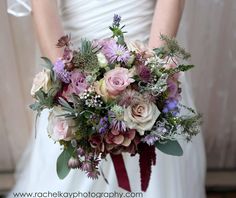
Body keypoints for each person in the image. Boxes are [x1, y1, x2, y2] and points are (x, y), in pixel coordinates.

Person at [7, 0, 206, 197]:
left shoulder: (151, 78)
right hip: (75, 79)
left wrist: (151, 82)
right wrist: (69, 89)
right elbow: (42, 7)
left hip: (150, 63)